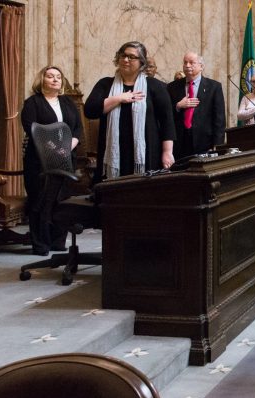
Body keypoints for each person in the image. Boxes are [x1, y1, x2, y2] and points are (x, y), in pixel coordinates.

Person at [84, 41, 175, 184]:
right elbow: (90, 111)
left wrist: (167, 152)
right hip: (114, 151)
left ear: (142, 63)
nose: (126, 60)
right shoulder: (105, 84)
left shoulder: (155, 86)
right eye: (123, 55)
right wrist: (119, 98)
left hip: (147, 152)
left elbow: (167, 122)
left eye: (132, 57)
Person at [20, 65, 82, 256]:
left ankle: (57, 242)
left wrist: (68, 146)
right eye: (50, 76)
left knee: (60, 199)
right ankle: (41, 245)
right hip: (39, 160)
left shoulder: (68, 103)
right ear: (42, 80)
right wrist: (54, 148)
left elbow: (78, 128)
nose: (55, 79)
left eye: (58, 77)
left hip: (65, 158)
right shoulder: (33, 103)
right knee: (40, 199)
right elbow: (32, 128)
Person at [167, 51, 226, 160]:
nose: (187, 65)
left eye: (191, 62)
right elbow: (166, 115)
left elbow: (219, 119)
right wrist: (178, 106)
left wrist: (217, 145)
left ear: (201, 66)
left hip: (204, 143)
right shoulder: (172, 87)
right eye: (185, 62)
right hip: (179, 142)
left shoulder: (214, 87)